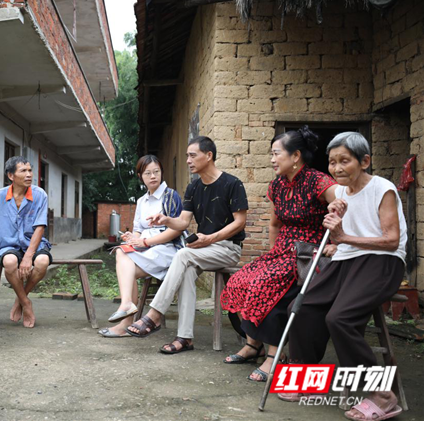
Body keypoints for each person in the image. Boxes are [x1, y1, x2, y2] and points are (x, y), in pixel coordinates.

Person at [280, 132, 406, 420]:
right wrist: (336, 238)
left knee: (340, 318)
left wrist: (344, 236)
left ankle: (382, 394)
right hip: (347, 259)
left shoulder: (382, 189)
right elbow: (345, 234)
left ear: (364, 161)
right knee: (302, 308)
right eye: (332, 162)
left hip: (382, 262)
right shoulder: (337, 192)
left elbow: (390, 240)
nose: (336, 168)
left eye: (344, 161)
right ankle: (308, 376)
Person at [220, 126, 338, 382]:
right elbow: (274, 224)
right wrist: (273, 254)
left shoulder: (320, 182)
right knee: (240, 280)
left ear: (295, 156)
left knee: (266, 286)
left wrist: (338, 243)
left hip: (308, 252)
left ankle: (275, 354)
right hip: (282, 251)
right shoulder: (277, 186)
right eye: (271, 154)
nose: (272, 160)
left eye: (276, 154)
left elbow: (345, 208)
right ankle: (253, 344)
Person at [126, 136, 248, 354]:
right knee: (187, 271)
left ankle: (154, 315)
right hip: (202, 250)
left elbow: (240, 223)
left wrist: (211, 238)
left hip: (227, 248)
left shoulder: (232, 184)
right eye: (187, 156)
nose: (188, 161)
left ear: (208, 156)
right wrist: (166, 220)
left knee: (182, 255)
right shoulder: (193, 187)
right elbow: (183, 222)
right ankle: (185, 338)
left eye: (192, 156)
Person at [98, 155, 183, 338]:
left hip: (167, 249)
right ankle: (127, 314)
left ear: (161, 172)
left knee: (124, 260)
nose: (153, 176)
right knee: (123, 253)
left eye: (156, 172)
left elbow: (175, 231)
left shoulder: (170, 196)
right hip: (147, 249)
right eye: (148, 173)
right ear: (141, 176)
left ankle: (126, 317)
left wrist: (144, 242)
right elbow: (138, 230)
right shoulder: (142, 201)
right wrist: (132, 237)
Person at [0, 156, 51, 328]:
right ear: (11, 176)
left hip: (33, 244)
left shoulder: (39, 195)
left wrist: (29, 256)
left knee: (42, 261)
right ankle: (26, 303)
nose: (29, 174)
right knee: (9, 261)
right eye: (23, 171)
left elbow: (40, 227)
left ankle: (20, 299)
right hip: (8, 245)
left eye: (30, 170)